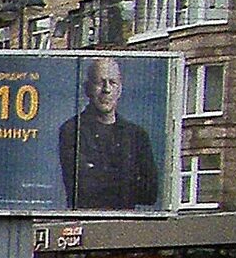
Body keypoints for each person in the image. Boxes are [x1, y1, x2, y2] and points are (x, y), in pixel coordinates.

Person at [57, 55, 161, 213]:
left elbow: (150, 194)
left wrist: (100, 175)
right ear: (87, 89)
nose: (106, 89)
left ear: (120, 89)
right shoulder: (72, 130)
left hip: (125, 225)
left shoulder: (137, 135)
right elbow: (83, 188)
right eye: (100, 82)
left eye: (112, 83)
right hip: (85, 222)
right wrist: (127, 179)